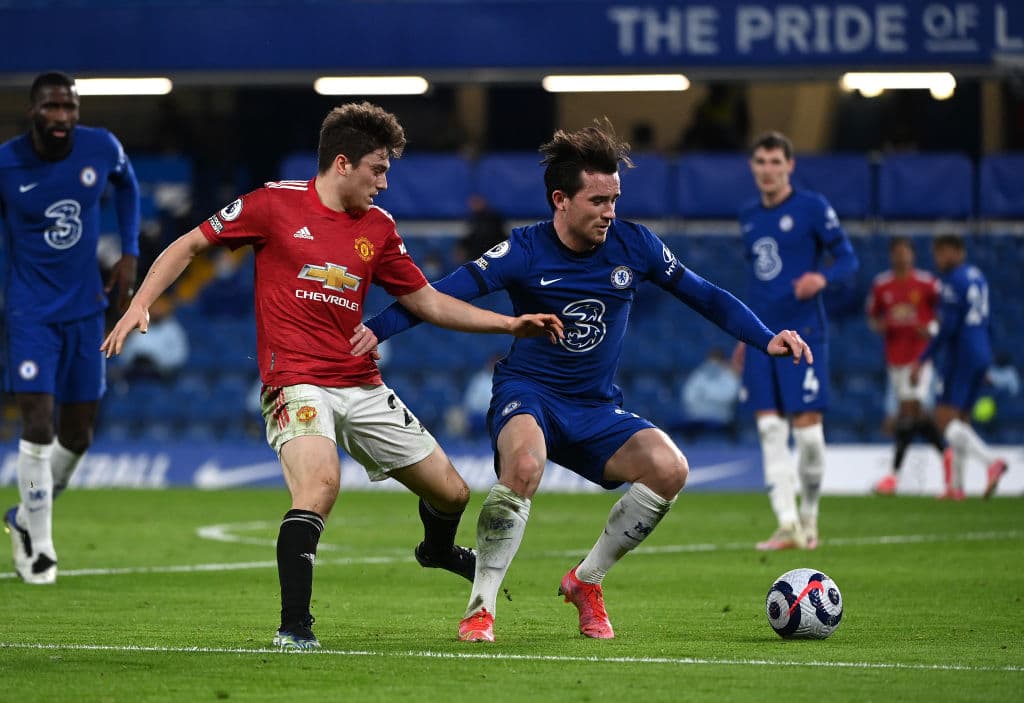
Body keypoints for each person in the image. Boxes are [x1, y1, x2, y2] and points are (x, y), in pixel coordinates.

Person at [100, 102, 563, 650]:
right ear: (342, 163)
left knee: (454, 494)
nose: (386, 183)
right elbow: (190, 243)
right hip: (294, 379)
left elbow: (429, 303)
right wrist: (139, 303)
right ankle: (295, 627)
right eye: (378, 169)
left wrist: (510, 322)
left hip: (361, 383)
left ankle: (436, 550)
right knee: (320, 485)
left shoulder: (378, 228)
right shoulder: (273, 203)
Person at [354, 118, 812, 642]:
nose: (610, 212)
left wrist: (765, 337)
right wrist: (377, 328)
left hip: (595, 406)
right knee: (524, 466)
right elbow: (440, 293)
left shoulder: (634, 245)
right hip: (529, 393)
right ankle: (481, 607)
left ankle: (586, 581)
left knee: (670, 469)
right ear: (560, 200)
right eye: (598, 201)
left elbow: (705, 294)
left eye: (614, 199)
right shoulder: (523, 251)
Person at [1, 71, 140, 585]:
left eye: (69, 108)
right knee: (37, 424)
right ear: (32, 111)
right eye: (51, 108)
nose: (62, 118)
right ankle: (40, 547)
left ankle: (22, 517)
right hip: (29, 311)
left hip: (86, 309)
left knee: (78, 434)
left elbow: (128, 185)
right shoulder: (6, 163)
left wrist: (128, 252)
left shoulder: (100, 147)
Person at [736, 131, 858, 552]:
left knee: (807, 438)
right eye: (760, 162)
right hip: (764, 339)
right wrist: (745, 334)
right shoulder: (748, 215)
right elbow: (755, 282)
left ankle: (809, 516)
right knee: (770, 431)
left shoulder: (812, 207)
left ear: (790, 166)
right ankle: (787, 525)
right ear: (752, 168)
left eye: (775, 162)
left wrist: (822, 277)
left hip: (805, 334)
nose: (768, 170)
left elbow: (848, 258)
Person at [911, 234, 1008, 500]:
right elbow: (986, 321)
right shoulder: (978, 276)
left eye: (940, 253)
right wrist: (985, 359)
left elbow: (949, 328)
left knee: (944, 419)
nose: (937, 259)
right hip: (980, 353)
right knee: (962, 420)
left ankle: (991, 462)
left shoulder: (953, 282)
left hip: (961, 354)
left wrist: (923, 358)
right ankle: (956, 487)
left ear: (955, 251)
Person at [866, 236, 947, 494]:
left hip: (920, 358)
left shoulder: (927, 283)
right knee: (914, 416)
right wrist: (881, 326)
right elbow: (872, 317)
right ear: (892, 256)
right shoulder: (882, 285)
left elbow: (946, 314)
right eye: (897, 252)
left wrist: (932, 329)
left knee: (909, 412)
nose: (902, 257)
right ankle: (947, 454)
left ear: (912, 255)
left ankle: (893, 476)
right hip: (895, 358)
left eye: (905, 252)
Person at [679, 347, 741, 437]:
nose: (713, 364)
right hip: (697, 415)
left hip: (721, 417)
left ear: (723, 361)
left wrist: (706, 395)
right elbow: (688, 396)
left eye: (717, 360)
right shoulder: (698, 375)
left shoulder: (729, 376)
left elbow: (729, 396)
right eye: (711, 360)